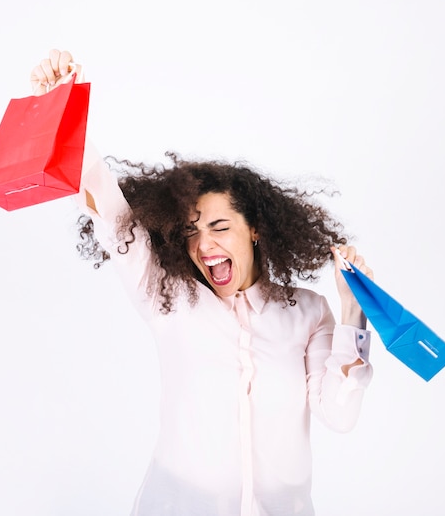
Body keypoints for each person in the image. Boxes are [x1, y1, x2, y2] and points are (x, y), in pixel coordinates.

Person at [30, 49, 375, 516]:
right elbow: (109, 212)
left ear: (254, 229)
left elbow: (339, 413)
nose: (205, 244)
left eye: (219, 227)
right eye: (192, 230)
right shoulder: (170, 298)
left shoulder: (309, 311)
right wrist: (61, 109)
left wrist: (354, 311)